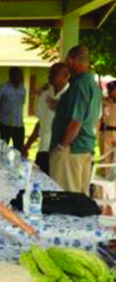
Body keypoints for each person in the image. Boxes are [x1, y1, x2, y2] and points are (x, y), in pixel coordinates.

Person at [49, 46, 102, 193]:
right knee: (79, 200)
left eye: (67, 60)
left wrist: (61, 147)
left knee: (66, 199)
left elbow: (75, 122)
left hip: (71, 150)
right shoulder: (92, 84)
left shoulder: (79, 85)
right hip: (85, 147)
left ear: (71, 61)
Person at [22, 63, 70, 175]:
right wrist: (27, 145)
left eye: (54, 74)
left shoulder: (70, 96)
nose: (50, 76)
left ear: (66, 76)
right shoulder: (45, 94)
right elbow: (40, 122)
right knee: (40, 185)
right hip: (43, 149)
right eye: (50, 73)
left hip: (59, 151)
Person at [0, 67, 26, 152]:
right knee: (3, 150)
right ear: (10, 76)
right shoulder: (3, 88)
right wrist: (2, 114)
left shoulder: (23, 89)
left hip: (19, 125)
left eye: (20, 75)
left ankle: (17, 165)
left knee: (19, 150)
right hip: (5, 124)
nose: (18, 77)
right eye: (15, 75)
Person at [100, 80, 116, 178]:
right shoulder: (104, 101)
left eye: (113, 90)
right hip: (107, 132)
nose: (110, 92)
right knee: (105, 159)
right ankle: (105, 178)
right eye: (109, 90)